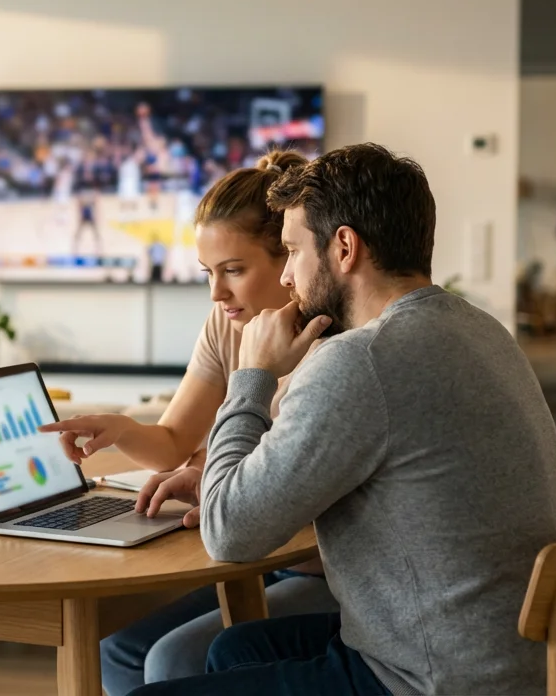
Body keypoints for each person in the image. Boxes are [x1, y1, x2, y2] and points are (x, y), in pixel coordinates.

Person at [131, 143, 556, 696]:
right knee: (232, 651)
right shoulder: (479, 328)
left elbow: (228, 534)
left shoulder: (361, 359)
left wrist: (252, 375)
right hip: (514, 659)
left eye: (292, 251)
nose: (288, 276)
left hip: (431, 679)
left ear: (344, 247)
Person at [38, 150, 340, 696]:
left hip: (319, 569)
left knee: (173, 658)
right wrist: (122, 429)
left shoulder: (336, 348)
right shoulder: (226, 326)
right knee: (116, 649)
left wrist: (216, 476)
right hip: (253, 555)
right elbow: (173, 441)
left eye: (234, 271)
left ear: (289, 257)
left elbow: (293, 495)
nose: (217, 293)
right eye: (208, 272)